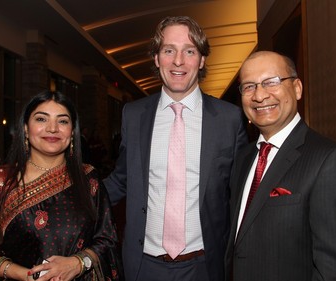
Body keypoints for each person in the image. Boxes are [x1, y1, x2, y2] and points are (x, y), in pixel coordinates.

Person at [102, 16, 248, 281]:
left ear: (202, 60)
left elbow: (241, 194)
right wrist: (71, 200)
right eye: (169, 50)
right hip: (142, 267)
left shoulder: (229, 119)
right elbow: (121, 180)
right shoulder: (134, 115)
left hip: (204, 266)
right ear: (157, 58)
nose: (178, 61)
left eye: (189, 51)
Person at [225, 51, 336, 281]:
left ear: (297, 88)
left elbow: (334, 269)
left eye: (271, 82)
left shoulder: (329, 160)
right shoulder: (243, 158)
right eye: (249, 86)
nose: (260, 96)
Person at [0, 91, 123, 281]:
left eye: (62, 121)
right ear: (26, 129)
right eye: (41, 119)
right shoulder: (2, 181)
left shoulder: (88, 177)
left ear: (72, 131)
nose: (52, 128)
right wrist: (24, 274)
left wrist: (79, 263)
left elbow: (107, 238)